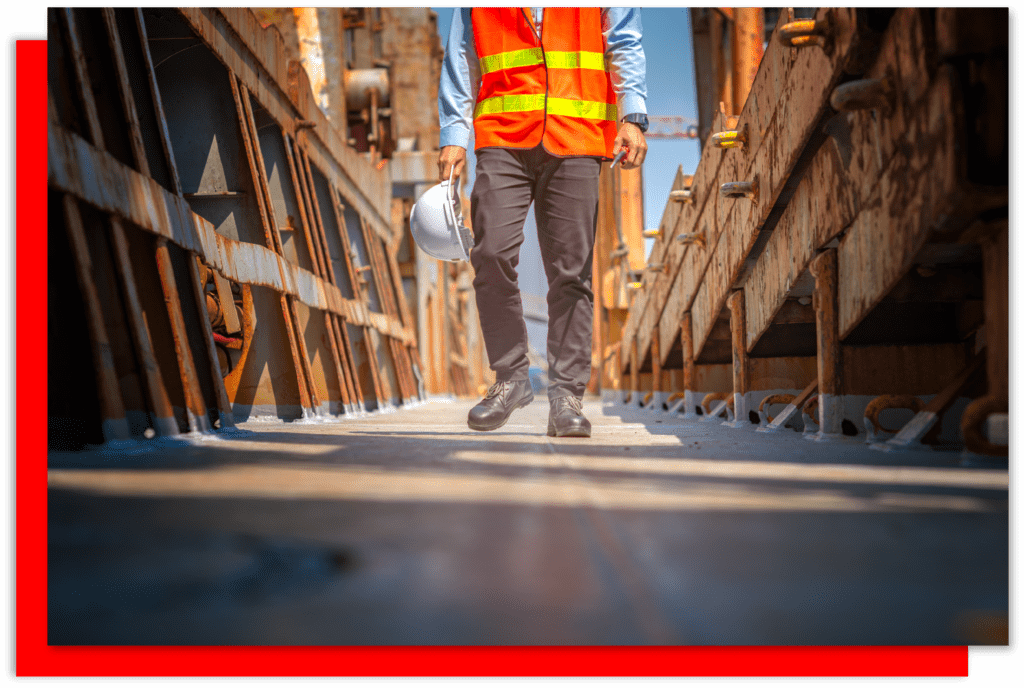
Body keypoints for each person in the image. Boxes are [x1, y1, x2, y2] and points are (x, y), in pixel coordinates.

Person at [438, 7, 648, 437]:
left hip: (578, 134)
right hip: (502, 134)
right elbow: (462, 54)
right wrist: (454, 136)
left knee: (570, 273)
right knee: (491, 252)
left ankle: (567, 397)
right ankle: (511, 377)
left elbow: (625, 40)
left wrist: (632, 117)